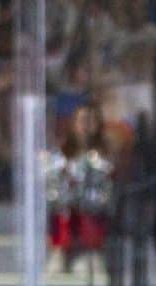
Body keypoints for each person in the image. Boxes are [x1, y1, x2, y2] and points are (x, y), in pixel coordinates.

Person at [44, 104, 113, 276]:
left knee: (90, 216)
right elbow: (52, 187)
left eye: (90, 121)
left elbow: (105, 191)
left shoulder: (104, 157)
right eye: (82, 121)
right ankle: (59, 252)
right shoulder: (60, 156)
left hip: (91, 214)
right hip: (66, 212)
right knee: (63, 215)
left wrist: (84, 199)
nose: (85, 126)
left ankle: (90, 254)